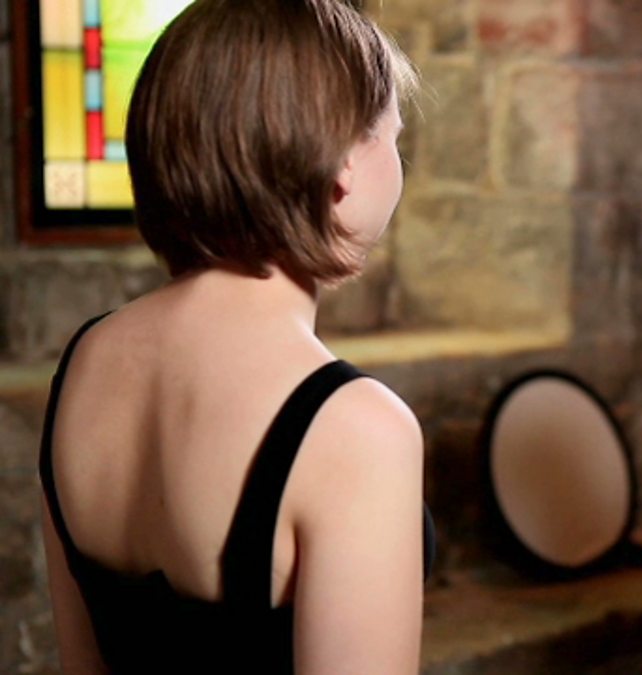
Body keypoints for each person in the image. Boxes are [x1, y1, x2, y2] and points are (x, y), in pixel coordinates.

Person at [38, 1, 430, 673]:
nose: (398, 161)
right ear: (341, 165)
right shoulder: (356, 429)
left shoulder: (85, 361)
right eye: (392, 137)